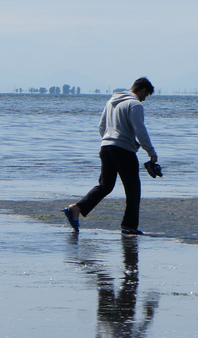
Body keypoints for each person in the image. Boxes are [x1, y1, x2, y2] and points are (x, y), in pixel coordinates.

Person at [64, 77, 158, 235]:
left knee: (105, 186)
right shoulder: (135, 104)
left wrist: (109, 140)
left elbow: (101, 126)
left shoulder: (111, 101)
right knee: (133, 189)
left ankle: (77, 208)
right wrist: (151, 152)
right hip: (124, 150)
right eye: (146, 95)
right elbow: (140, 129)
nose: (144, 99)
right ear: (142, 90)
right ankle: (129, 225)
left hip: (106, 147)